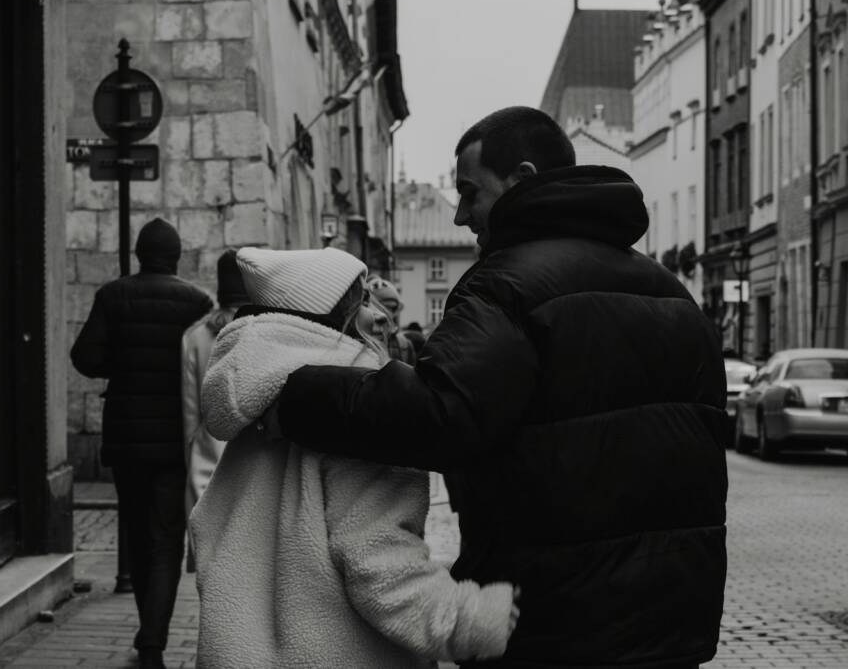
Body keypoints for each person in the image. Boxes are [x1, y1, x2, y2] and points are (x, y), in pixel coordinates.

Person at [270, 107, 729, 668]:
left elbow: (439, 413)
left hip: (555, 622)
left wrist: (292, 391)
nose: (462, 215)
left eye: (470, 192)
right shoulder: (673, 294)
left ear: (524, 178)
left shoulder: (507, 284)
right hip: (672, 621)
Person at [190, 247, 518, 668]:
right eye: (363, 300)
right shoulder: (354, 416)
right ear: (331, 318)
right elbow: (381, 566)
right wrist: (473, 617)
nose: (380, 314)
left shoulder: (264, 405)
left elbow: (209, 527)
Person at [70, 218, 213, 669]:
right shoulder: (197, 302)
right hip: (173, 440)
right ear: (175, 257)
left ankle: (147, 632)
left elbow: (84, 357)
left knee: (135, 533)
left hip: (128, 437)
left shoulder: (113, 296)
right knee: (166, 539)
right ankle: (153, 640)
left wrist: (122, 363)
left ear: (138, 254)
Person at [180, 249, 248, 570]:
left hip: (206, 465)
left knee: (211, 572)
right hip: (252, 469)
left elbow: (189, 414)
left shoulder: (195, 337)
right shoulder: (260, 332)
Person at [366, 275, 417, 364]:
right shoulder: (359, 338)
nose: (388, 313)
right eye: (383, 307)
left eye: (392, 308)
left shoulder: (404, 344)